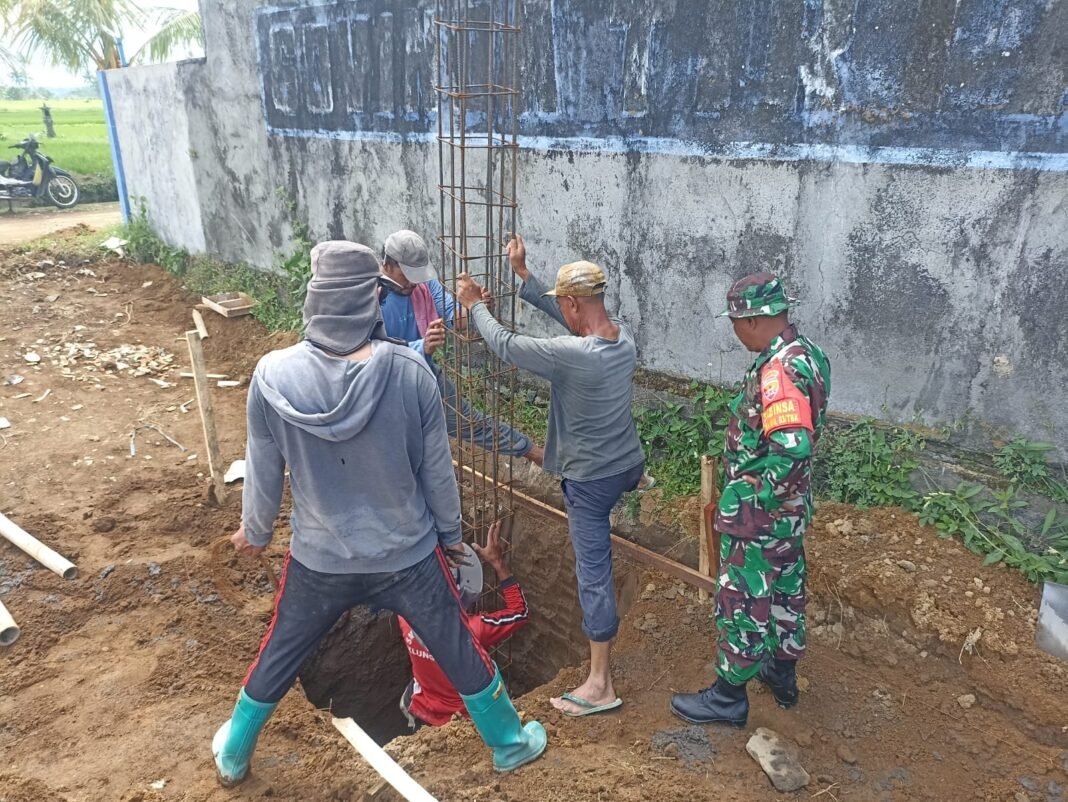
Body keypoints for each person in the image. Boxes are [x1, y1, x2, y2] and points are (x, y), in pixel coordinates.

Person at [211, 240, 546, 786]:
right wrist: (450, 538)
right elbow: (437, 473)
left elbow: (264, 471)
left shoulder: (271, 377)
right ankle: (510, 744)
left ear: (313, 300)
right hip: (407, 553)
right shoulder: (410, 371)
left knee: (281, 648)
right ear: (370, 297)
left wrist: (254, 532)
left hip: (320, 557)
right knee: (457, 646)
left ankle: (234, 752)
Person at [452, 234, 644, 718]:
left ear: (574, 303)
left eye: (564, 306)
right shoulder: (621, 340)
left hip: (591, 481)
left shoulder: (571, 355)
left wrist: (475, 305)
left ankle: (600, 682)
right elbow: (573, 324)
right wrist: (524, 276)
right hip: (628, 465)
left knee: (593, 573)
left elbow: (506, 345)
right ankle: (639, 484)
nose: (563, 313)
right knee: (613, 490)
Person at [670, 272, 831, 727]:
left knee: (743, 597)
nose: (735, 332)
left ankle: (727, 698)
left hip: (762, 517)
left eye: (736, 323)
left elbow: (793, 449)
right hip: (791, 514)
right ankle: (781, 674)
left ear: (754, 320)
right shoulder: (809, 355)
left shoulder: (778, 370)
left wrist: (752, 499)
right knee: (784, 590)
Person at [379, 229, 544, 466]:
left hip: (421, 374)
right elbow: (367, 351)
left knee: (469, 422)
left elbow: (459, 320)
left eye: (416, 275)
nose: (413, 282)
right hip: (383, 384)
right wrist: (419, 345)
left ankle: (533, 452)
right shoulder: (371, 295)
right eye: (406, 274)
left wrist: (477, 305)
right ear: (387, 264)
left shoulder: (425, 286)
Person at [398, 520, 530, 729]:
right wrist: (498, 563)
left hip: (421, 708)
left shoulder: (405, 616)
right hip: (460, 719)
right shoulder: (473, 629)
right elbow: (520, 612)